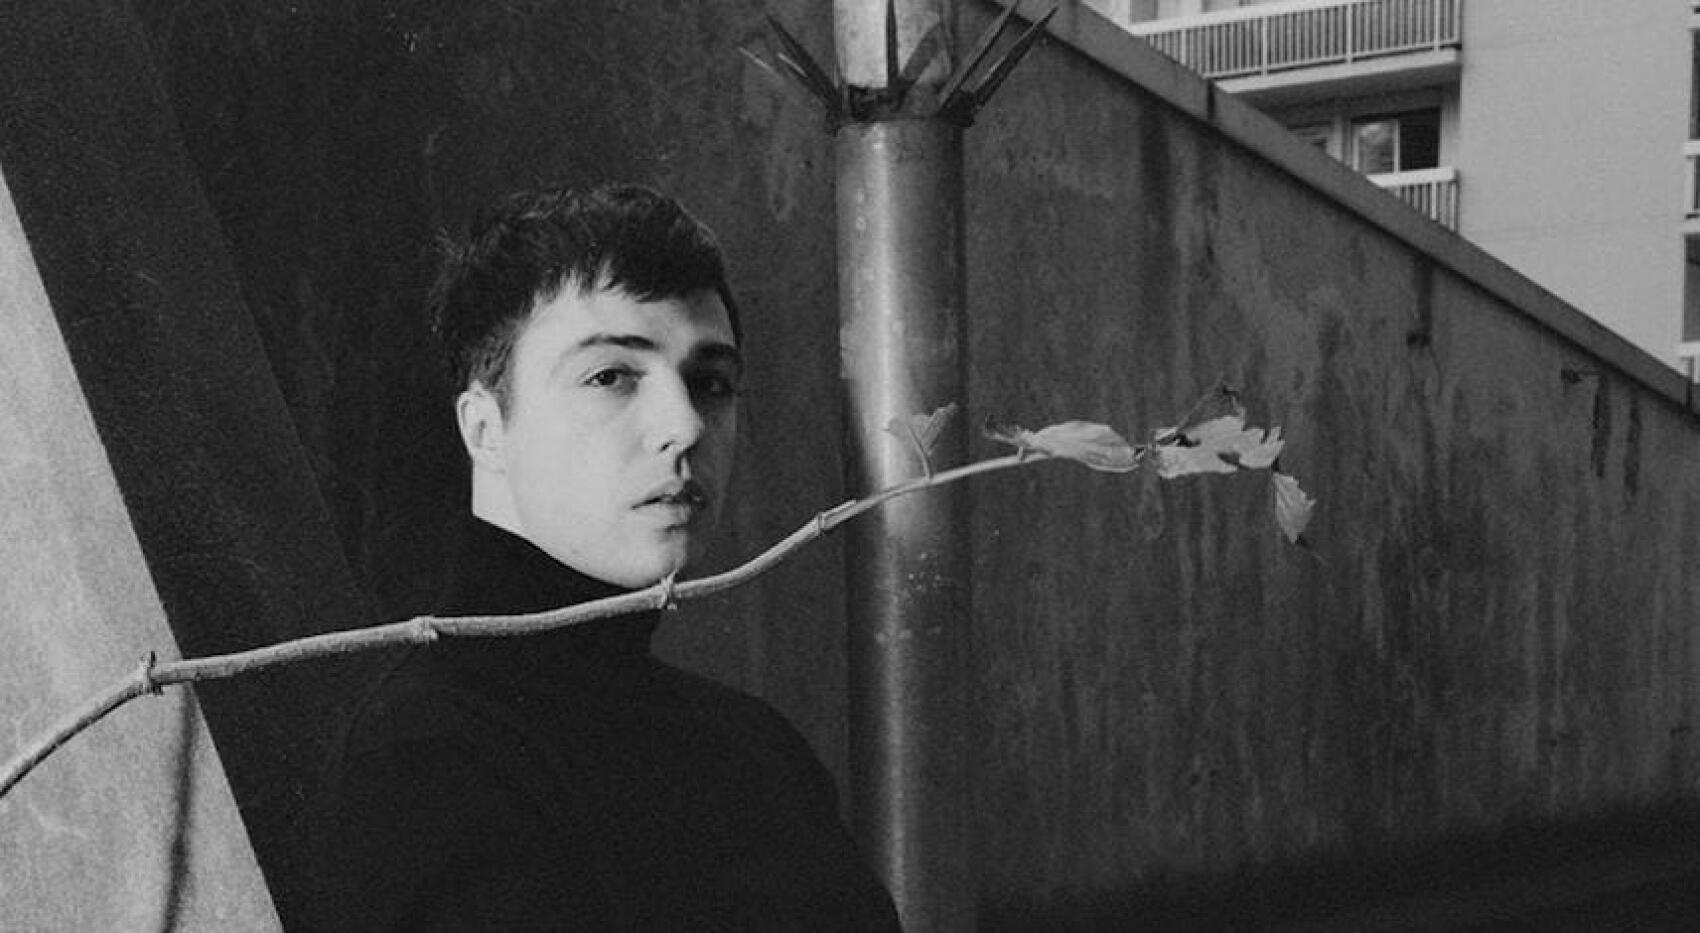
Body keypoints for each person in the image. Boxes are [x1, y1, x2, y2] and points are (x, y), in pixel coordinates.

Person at [310, 184, 901, 930]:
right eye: (610, 376)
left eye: (711, 382)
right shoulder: (427, 754)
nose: (685, 424)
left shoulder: (760, 750)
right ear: (484, 428)